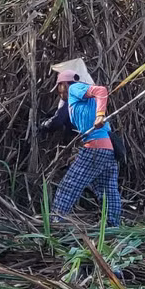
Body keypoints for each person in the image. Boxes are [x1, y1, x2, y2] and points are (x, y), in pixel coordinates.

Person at [50, 68, 121, 227]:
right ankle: (113, 225)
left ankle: (56, 222)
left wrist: (100, 115)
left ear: (63, 84)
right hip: (107, 149)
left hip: (95, 147)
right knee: (108, 190)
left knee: (69, 186)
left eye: (59, 86)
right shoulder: (80, 100)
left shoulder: (74, 88)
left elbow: (101, 90)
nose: (59, 91)